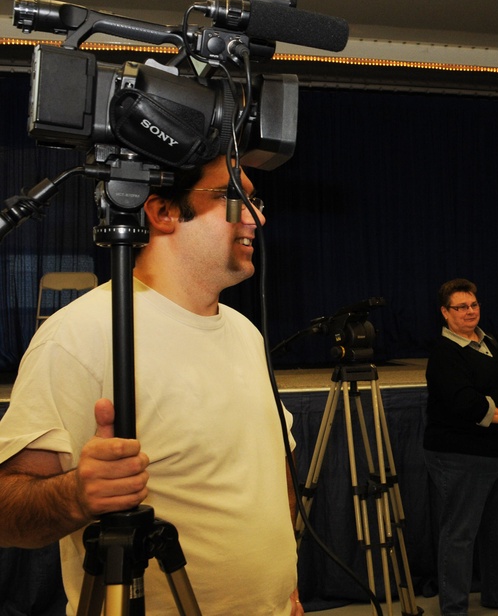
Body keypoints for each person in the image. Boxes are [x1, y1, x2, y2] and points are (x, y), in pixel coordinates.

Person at [0, 155, 302, 615]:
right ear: (161, 213)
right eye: (231, 197)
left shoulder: (246, 333)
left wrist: (287, 589)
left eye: (254, 199)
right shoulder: (80, 334)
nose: (257, 216)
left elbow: (275, 471)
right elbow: (7, 512)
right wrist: (76, 495)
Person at [424, 278, 498, 616]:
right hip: (462, 455)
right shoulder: (443, 353)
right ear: (445, 313)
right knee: (460, 534)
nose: (470, 311)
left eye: (473, 305)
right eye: (461, 307)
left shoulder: (492, 341)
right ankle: (454, 608)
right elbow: (465, 403)